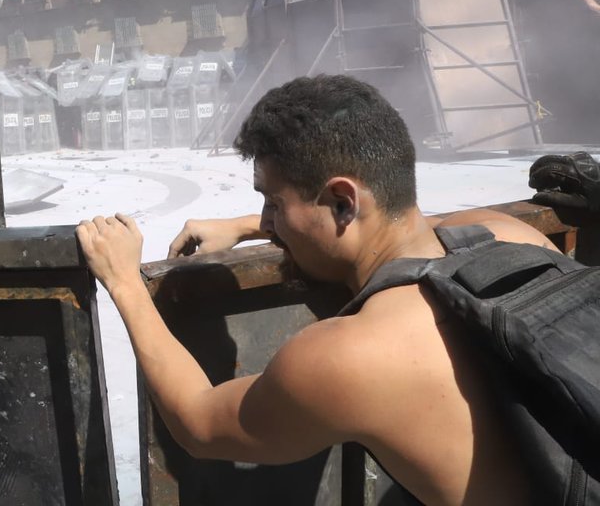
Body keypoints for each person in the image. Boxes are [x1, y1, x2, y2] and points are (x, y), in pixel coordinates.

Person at [76, 75, 557, 506]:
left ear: (343, 202)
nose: (267, 218)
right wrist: (259, 226)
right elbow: (413, 224)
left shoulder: (352, 355)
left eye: (274, 202)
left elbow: (200, 423)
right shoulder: (511, 235)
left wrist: (123, 280)